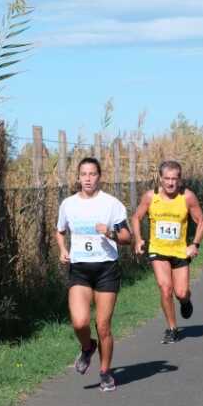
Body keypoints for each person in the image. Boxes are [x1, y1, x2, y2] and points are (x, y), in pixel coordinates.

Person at [56, 157, 132, 391]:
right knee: (80, 323)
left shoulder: (111, 204)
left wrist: (109, 232)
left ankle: (105, 372)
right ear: (78, 177)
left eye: (92, 174)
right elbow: (60, 231)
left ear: (99, 176)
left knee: (103, 325)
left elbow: (127, 238)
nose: (88, 178)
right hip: (80, 269)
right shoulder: (68, 204)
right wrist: (62, 249)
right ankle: (88, 347)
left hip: (106, 269)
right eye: (84, 174)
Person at [132, 160, 203, 344]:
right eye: (167, 179)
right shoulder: (151, 197)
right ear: (160, 178)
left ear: (180, 179)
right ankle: (172, 328)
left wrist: (195, 244)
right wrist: (138, 239)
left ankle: (185, 302)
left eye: (175, 179)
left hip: (180, 251)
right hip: (158, 250)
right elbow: (136, 217)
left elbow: (202, 221)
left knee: (181, 292)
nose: (171, 183)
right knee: (165, 288)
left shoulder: (187, 197)